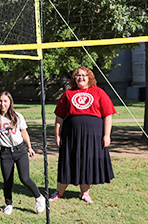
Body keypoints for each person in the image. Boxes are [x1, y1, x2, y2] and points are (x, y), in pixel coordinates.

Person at [49, 66, 116, 203]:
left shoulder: (98, 92)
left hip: (93, 134)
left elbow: (107, 114)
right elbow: (60, 117)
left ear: (89, 78)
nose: (81, 78)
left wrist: (107, 135)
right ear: (74, 78)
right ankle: (59, 192)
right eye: (78, 75)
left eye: (84, 75)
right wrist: (57, 134)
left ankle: (85, 193)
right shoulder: (68, 94)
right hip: (71, 134)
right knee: (69, 161)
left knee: (87, 161)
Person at [0, 91, 46, 215]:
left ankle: (40, 198)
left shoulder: (17, 116)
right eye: (0, 101)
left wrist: (29, 147)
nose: (2, 104)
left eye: (5, 101)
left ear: (10, 103)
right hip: (5, 153)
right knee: (7, 180)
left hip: (20, 150)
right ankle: (8, 204)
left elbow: (24, 132)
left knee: (25, 178)